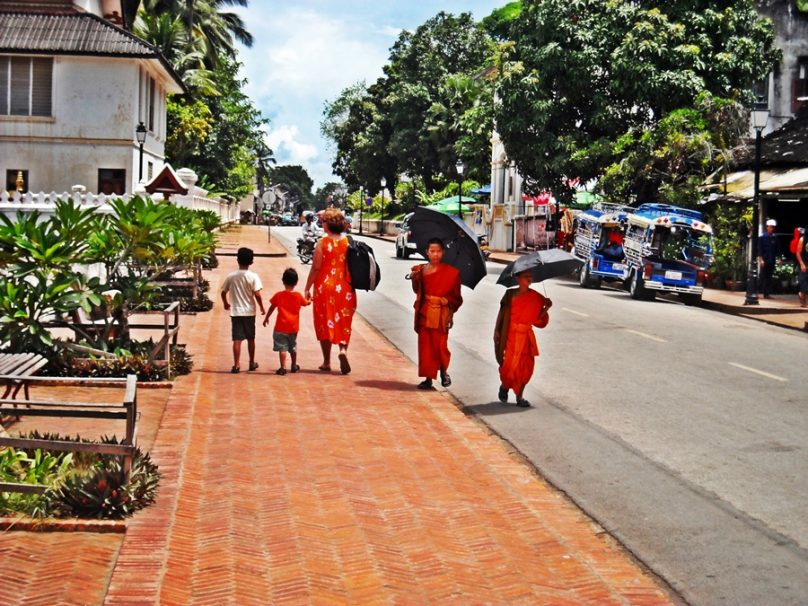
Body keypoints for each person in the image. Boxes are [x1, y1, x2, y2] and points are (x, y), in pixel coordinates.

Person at [304, 208, 356, 374]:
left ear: (328, 224)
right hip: (345, 287)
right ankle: (343, 350)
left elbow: (316, 267)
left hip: (324, 287)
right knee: (344, 320)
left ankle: (326, 361)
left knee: (324, 320)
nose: (322, 224)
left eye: (324, 221)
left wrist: (307, 287)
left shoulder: (322, 242)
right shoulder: (348, 242)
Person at [409, 238, 463, 390]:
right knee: (426, 347)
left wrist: (450, 313)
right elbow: (417, 290)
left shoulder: (451, 273)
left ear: (443, 253)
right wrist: (415, 278)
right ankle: (428, 378)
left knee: (440, 345)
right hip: (425, 312)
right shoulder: (421, 270)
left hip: (441, 313)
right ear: (427, 252)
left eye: (438, 251)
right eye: (432, 251)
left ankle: (444, 371)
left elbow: (456, 297)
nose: (435, 254)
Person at [494, 270, 552, 407]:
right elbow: (502, 313)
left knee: (526, 367)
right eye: (526, 276)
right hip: (511, 335)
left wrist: (546, 308)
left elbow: (538, 319)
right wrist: (497, 330)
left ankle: (520, 397)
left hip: (526, 336)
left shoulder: (537, 297)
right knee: (509, 365)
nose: (529, 279)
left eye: (531, 276)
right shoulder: (509, 295)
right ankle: (505, 385)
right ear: (517, 278)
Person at [221, 247, 265, 373]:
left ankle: (236, 364)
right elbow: (257, 294)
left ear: (237, 260)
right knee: (251, 338)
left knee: (237, 339)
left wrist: (225, 303)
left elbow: (223, 292)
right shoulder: (253, 277)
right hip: (249, 312)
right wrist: (261, 307)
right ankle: (251, 362)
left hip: (235, 312)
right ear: (252, 261)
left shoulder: (231, 276)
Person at [263, 267, 310, 375]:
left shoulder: (279, 295)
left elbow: (272, 307)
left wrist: (267, 317)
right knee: (292, 346)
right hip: (293, 327)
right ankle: (294, 365)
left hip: (280, 327)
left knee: (282, 348)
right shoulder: (298, 296)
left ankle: (283, 367)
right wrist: (309, 300)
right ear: (296, 282)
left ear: (283, 281)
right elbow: (306, 303)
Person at [758, 219, 779, 299]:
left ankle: (767, 293)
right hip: (765, 259)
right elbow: (760, 250)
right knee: (763, 276)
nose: (771, 229)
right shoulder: (762, 237)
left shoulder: (775, 237)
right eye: (770, 227)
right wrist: (761, 259)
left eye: (773, 227)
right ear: (767, 227)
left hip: (772, 259)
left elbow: (777, 249)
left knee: (769, 277)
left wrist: (778, 258)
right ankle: (759, 291)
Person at [797, 226, 808, 308]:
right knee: (803, 282)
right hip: (804, 264)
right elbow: (798, 253)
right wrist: (801, 264)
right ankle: (802, 298)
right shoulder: (802, 239)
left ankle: (802, 296)